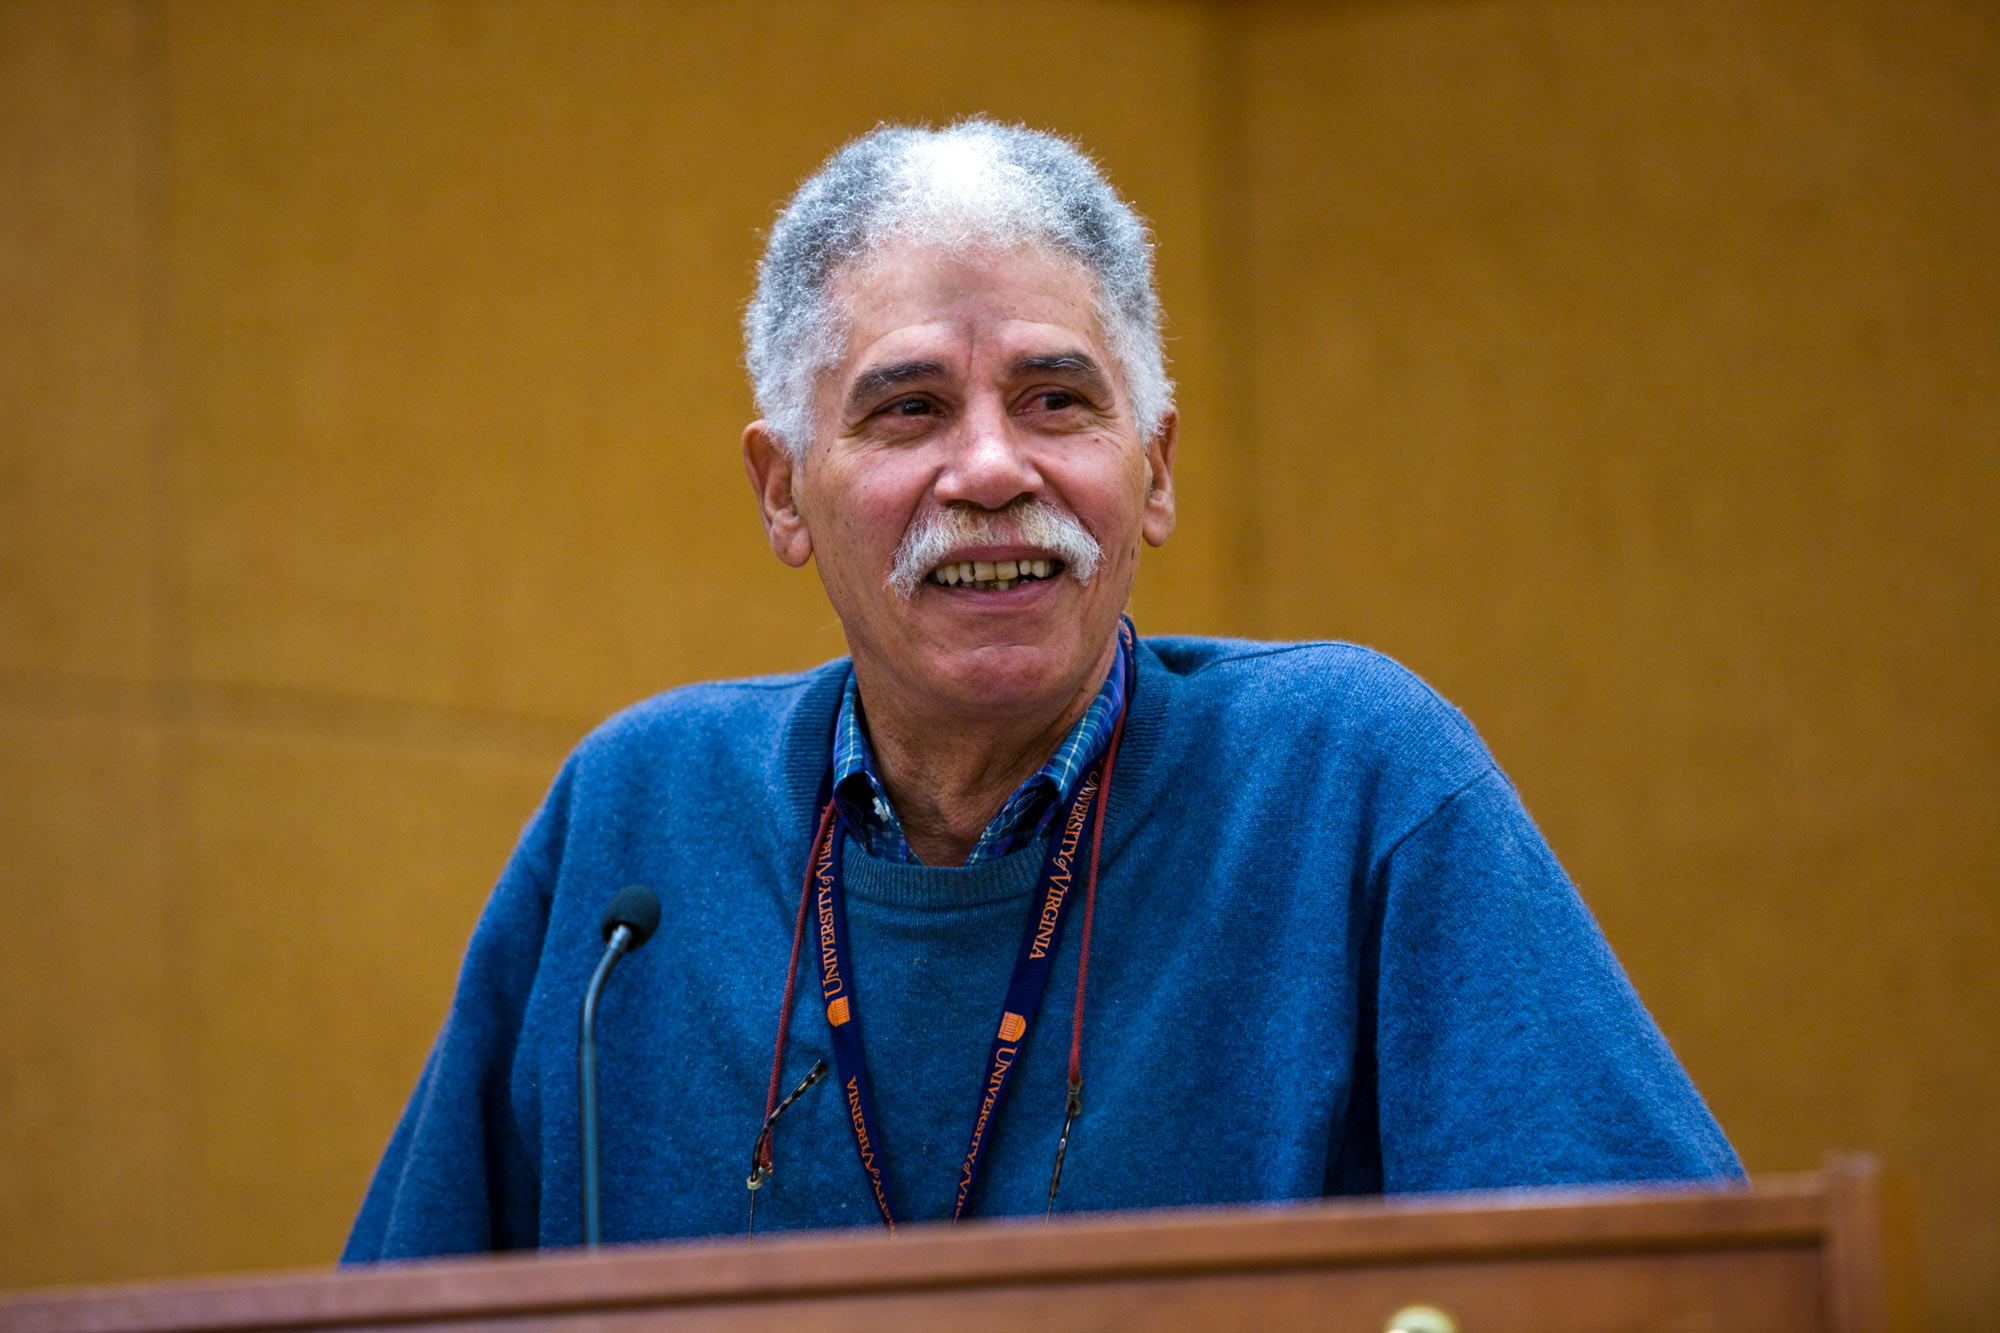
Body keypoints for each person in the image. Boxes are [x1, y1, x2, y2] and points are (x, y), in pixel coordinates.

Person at [343, 119, 1739, 1259]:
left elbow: (1661, 1288)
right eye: (909, 409)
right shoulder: (633, 828)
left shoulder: (1351, 779)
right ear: (782, 492)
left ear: (1158, 466)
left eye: (1059, 400)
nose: (994, 468)